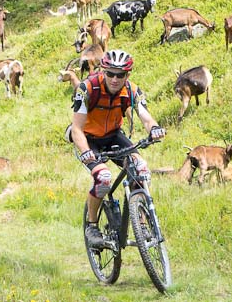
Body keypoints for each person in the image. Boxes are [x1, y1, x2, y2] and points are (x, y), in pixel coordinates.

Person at [69, 49, 165, 248]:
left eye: (120, 75)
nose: (114, 79)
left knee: (140, 169)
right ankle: (92, 225)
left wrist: (154, 128)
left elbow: (145, 116)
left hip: (113, 135)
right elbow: (76, 128)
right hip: (88, 139)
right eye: (110, 73)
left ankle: (141, 224)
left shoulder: (131, 90)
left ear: (127, 75)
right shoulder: (87, 89)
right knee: (103, 178)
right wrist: (86, 152)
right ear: (103, 70)